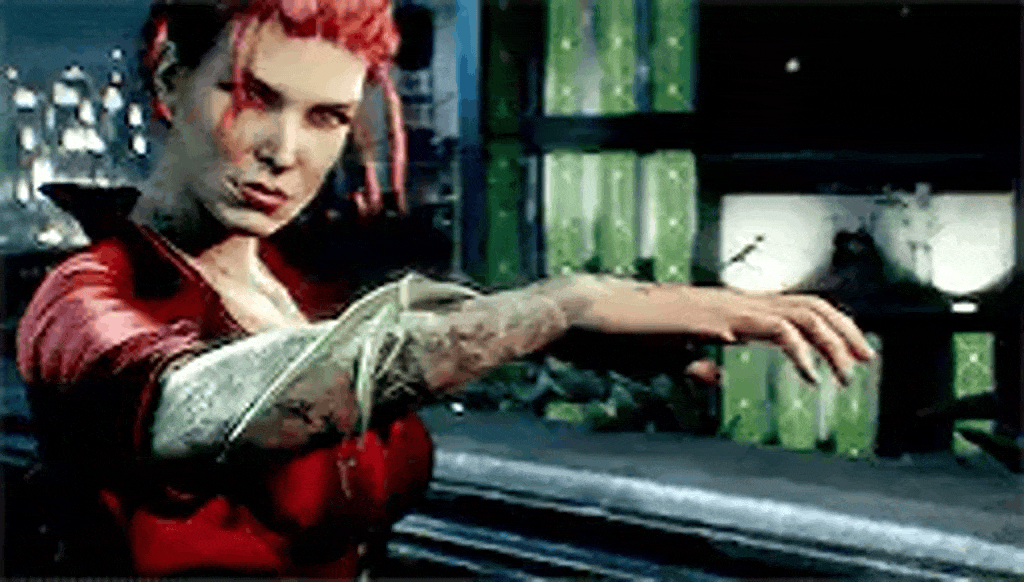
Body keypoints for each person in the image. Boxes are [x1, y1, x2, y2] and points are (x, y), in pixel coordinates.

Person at [14, 0, 876, 577]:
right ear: (170, 78)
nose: (284, 151)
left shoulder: (295, 288)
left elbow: (386, 346)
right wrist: (560, 307)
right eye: (251, 98)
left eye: (326, 117)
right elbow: (192, 406)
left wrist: (592, 343)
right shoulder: (85, 299)